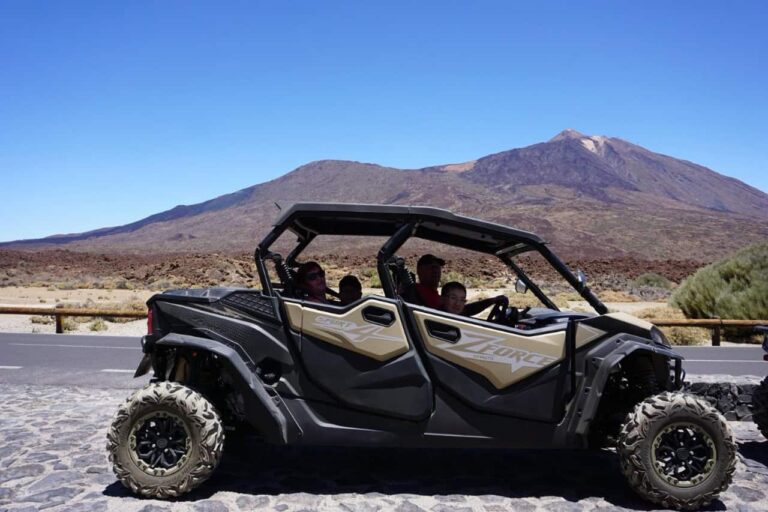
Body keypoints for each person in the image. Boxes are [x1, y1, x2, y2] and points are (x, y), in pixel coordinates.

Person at [440, 281, 508, 317]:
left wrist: (493, 300)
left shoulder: (458, 315)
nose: (458, 303)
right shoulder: (438, 319)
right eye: (453, 298)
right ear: (442, 299)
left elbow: (471, 309)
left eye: (462, 300)